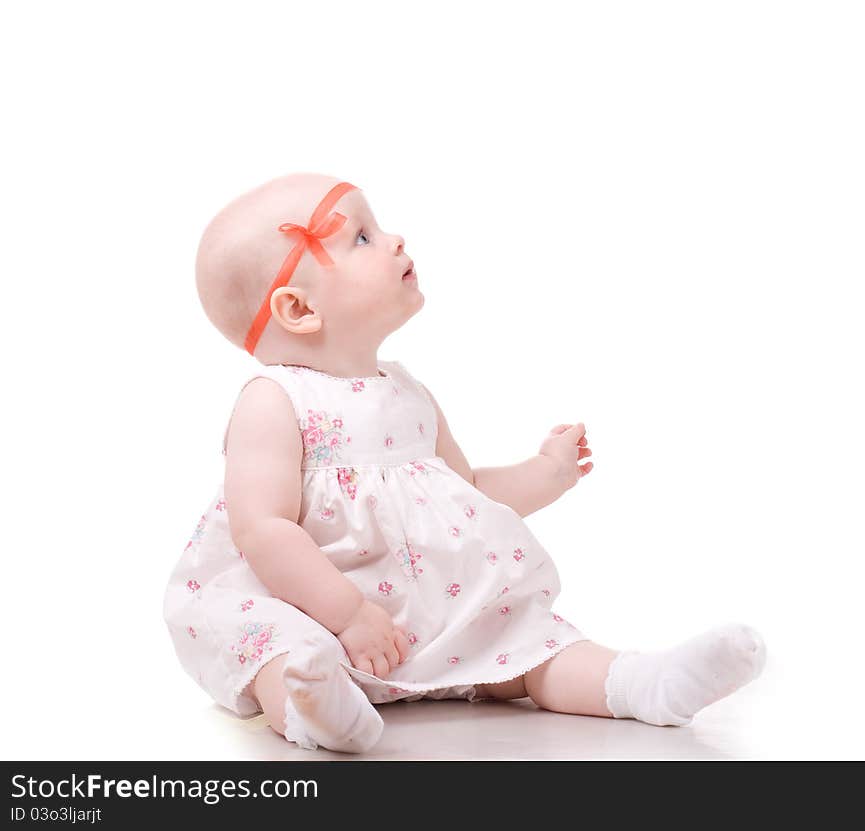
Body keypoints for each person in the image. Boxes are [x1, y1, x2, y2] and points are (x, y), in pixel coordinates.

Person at [163, 172, 766, 752]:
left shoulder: (406, 391)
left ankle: (640, 684)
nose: (396, 240)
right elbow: (262, 529)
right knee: (279, 647)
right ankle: (315, 706)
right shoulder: (276, 400)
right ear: (298, 310)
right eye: (363, 238)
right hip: (319, 610)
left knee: (529, 643)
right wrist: (345, 615)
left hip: (425, 615)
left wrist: (547, 472)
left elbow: (466, 489)